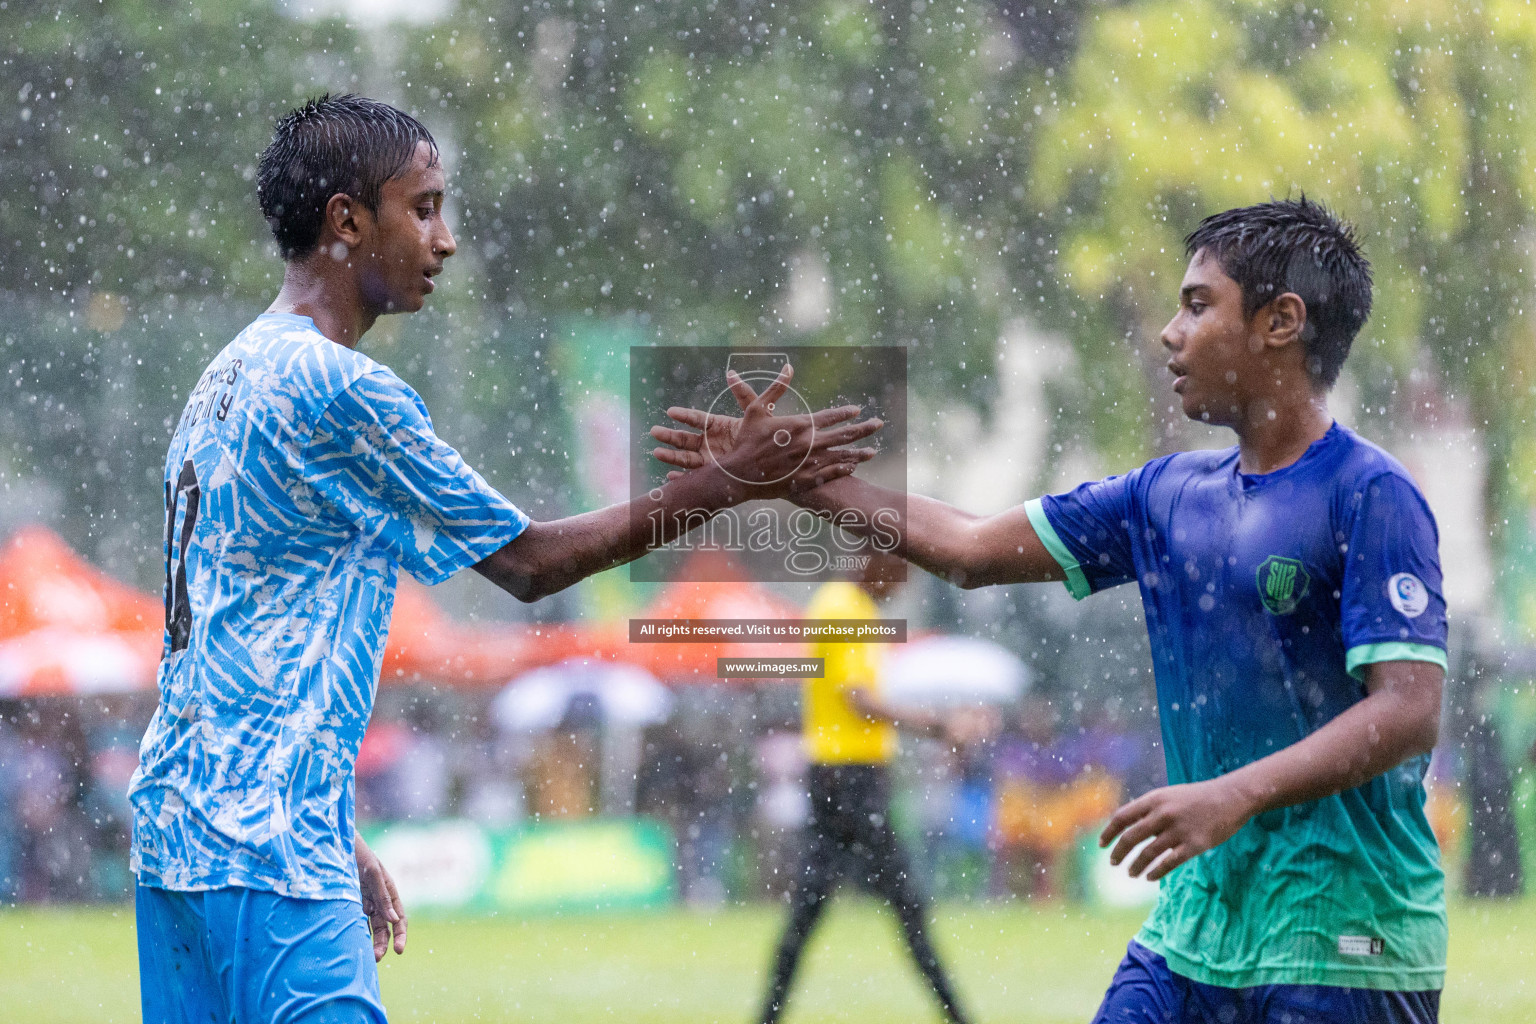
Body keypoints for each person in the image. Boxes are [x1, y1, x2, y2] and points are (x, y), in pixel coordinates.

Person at [128, 93, 880, 1024]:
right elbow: (529, 563)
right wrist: (730, 478)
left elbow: (216, 647)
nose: (443, 241)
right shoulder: (340, 386)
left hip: (180, 846)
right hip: (271, 858)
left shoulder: (227, 374)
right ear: (346, 220)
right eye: (425, 207)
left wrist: (331, 824)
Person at [655, 198, 1449, 1023]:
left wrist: (1234, 794)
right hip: (1194, 933)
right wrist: (792, 477)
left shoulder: (1371, 495)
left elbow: (1408, 711)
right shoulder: (1164, 496)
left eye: (1197, 304)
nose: (1171, 334)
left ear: (1281, 322)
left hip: (1348, 942)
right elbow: (967, 547)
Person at [756, 555, 971, 1024]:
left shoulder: (845, 606)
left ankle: (767, 1016)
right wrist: (936, 725)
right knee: (906, 905)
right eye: (903, 571)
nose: (904, 584)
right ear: (877, 562)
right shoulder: (845, 609)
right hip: (849, 780)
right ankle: (958, 1015)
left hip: (840, 778)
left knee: (811, 908)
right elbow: (859, 701)